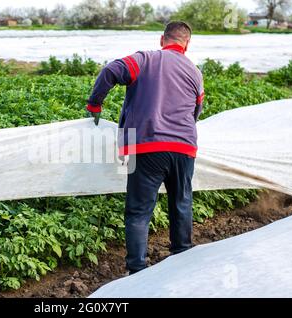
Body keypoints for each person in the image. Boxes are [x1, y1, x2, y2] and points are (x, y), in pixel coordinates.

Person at [86, 21, 205, 274]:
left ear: (162, 39)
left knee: (139, 211)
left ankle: (137, 271)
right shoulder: (195, 72)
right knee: (181, 203)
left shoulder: (144, 60)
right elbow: (196, 111)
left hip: (145, 146)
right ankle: (182, 261)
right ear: (187, 43)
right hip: (184, 148)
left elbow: (110, 71)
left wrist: (95, 104)